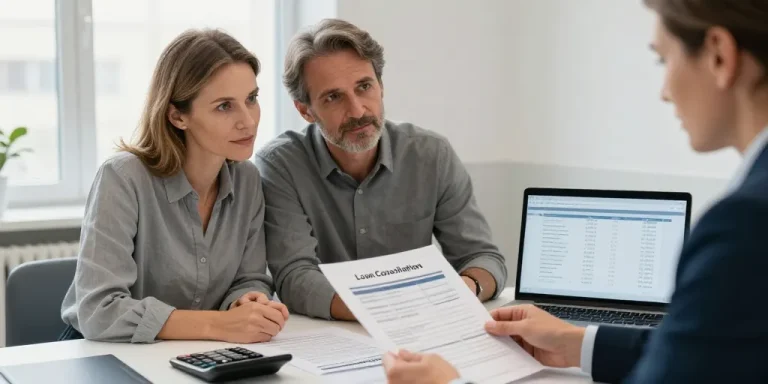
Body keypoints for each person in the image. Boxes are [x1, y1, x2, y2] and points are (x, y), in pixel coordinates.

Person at [383, 0, 768, 382]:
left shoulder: (744, 224)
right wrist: (576, 342)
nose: (664, 92)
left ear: (719, 55)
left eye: (662, 61)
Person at [254, 19, 507, 321]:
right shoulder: (280, 165)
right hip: (334, 336)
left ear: (381, 86)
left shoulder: (431, 155)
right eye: (333, 97)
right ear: (305, 110)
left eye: (364, 87)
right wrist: (388, 312)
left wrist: (466, 288)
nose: (358, 111)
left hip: (425, 328)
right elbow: (295, 277)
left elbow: (483, 258)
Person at [59, 29, 289, 344]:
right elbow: (99, 310)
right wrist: (220, 325)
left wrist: (247, 303)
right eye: (224, 106)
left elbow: (248, 279)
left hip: (192, 354)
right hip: (105, 353)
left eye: (251, 99)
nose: (248, 121)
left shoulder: (247, 180)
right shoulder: (123, 178)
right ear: (178, 116)